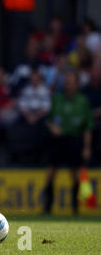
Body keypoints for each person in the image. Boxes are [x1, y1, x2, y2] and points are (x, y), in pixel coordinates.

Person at [43, 70, 94, 215]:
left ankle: (75, 208)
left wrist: (86, 147)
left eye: (71, 82)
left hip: (74, 139)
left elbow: (87, 127)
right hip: (57, 140)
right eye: (66, 82)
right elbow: (48, 119)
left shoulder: (82, 101)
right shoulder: (57, 98)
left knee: (75, 174)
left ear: (77, 84)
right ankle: (47, 208)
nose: (68, 85)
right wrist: (53, 127)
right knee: (51, 172)